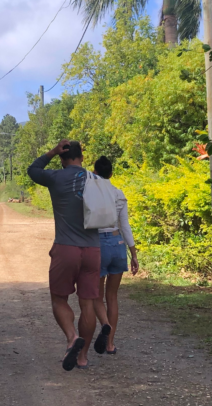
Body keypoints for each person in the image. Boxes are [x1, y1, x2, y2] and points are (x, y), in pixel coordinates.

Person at [28, 139, 100, 371]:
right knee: (88, 304)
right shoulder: (96, 180)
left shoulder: (56, 177)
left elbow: (33, 170)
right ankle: (83, 357)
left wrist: (51, 152)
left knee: (59, 299)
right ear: (82, 158)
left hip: (66, 248)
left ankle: (72, 337)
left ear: (62, 158)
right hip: (93, 249)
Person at [91, 156, 138, 355]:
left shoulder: (90, 195)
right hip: (118, 244)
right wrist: (133, 254)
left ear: (94, 173)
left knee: (96, 296)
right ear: (111, 174)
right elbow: (125, 225)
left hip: (98, 245)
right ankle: (110, 344)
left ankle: (104, 324)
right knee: (112, 296)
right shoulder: (119, 194)